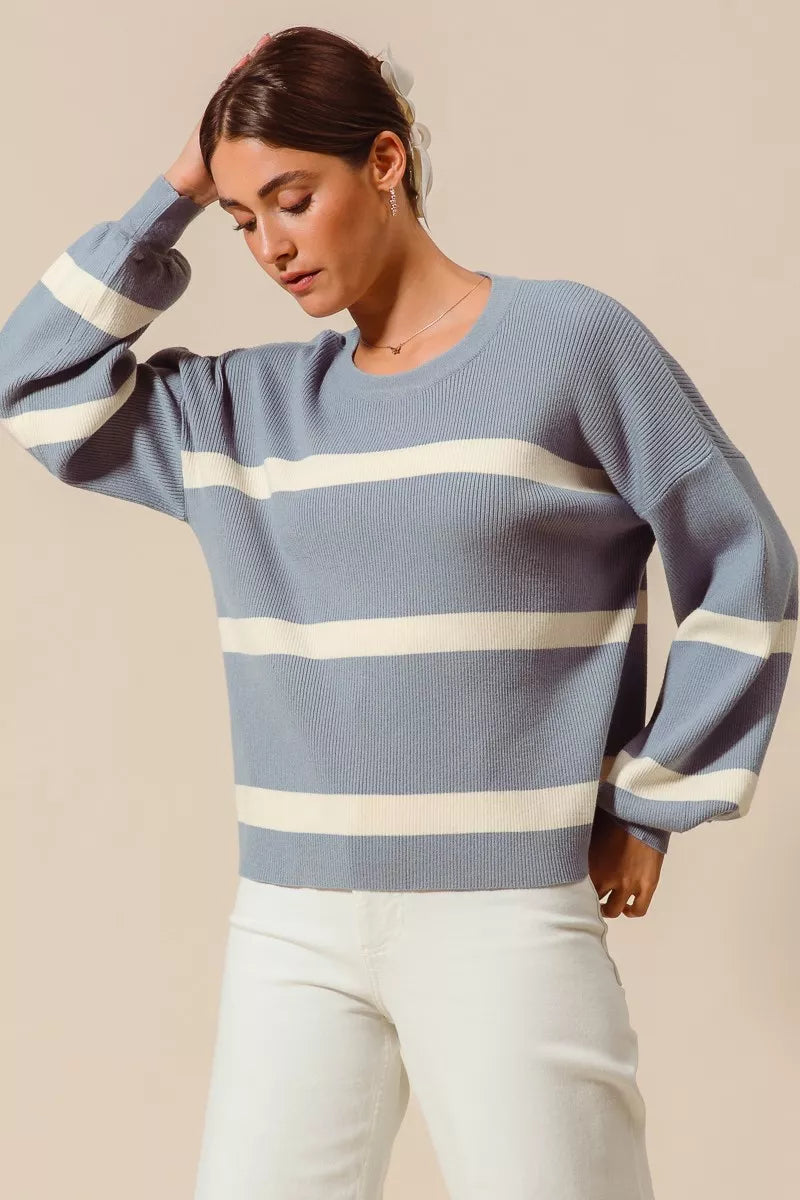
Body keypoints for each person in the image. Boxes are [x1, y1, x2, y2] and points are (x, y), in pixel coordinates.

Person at [1, 23, 796, 1200]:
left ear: (383, 162)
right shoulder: (243, 410)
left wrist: (651, 797)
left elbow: (744, 558)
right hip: (290, 924)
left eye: (291, 199)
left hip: (504, 919)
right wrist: (175, 187)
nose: (270, 247)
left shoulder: (567, 343)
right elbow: (32, 383)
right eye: (241, 220)